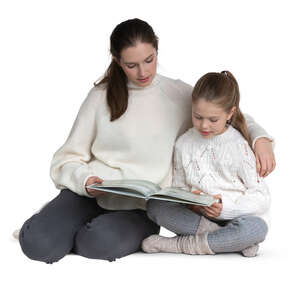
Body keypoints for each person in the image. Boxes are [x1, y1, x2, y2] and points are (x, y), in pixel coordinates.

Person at [18, 19, 275, 263]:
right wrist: (85, 181)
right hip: (90, 194)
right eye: (131, 65)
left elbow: (224, 111)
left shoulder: (177, 94)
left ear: (157, 50)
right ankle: (52, 228)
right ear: (117, 61)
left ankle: (63, 232)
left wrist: (260, 139)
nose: (143, 72)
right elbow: (68, 157)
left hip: (142, 207)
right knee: (37, 245)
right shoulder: (100, 96)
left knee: (97, 243)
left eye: (149, 60)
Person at [142, 71, 271, 257]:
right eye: (197, 117)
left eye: (213, 120)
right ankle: (229, 242)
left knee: (257, 228)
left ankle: (180, 245)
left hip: (235, 218)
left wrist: (226, 208)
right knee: (156, 206)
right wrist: (192, 204)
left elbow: (261, 197)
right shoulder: (183, 144)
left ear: (230, 113)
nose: (204, 126)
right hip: (198, 218)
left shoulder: (239, 146)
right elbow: (178, 187)